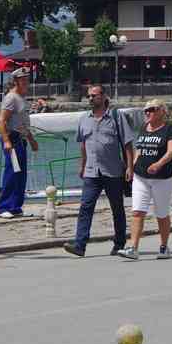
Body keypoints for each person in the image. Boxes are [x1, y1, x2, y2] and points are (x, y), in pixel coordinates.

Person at [63, 85, 135, 257]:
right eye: (88, 96)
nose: (90, 99)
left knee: (117, 208)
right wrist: (82, 165)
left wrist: (130, 167)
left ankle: (119, 244)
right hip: (91, 172)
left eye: (94, 95)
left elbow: (127, 144)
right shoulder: (84, 119)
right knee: (85, 207)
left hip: (113, 171)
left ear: (103, 97)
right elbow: (83, 144)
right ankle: (80, 245)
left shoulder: (116, 117)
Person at [118, 99, 172, 260]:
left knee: (161, 214)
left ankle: (164, 247)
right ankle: (133, 248)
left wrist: (159, 164)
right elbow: (139, 148)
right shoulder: (144, 127)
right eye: (146, 110)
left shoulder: (169, 129)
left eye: (151, 109)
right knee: (137, 211)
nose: (147, 113)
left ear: (161, 111)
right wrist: (132, 166)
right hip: (141, 177)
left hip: (161, 178)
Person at [0, 68, 39, 218]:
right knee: (12, 172)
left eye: (27, 79)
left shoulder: (22, 97)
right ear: (15, 81)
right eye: (22, 79)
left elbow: (23, 123)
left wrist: (32, 140)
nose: (26, 81)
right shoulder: (11, 98)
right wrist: (7, 141)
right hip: (12, 138)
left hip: (21, 139)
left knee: (21, 174)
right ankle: (4, 207)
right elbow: (2, 121)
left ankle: (16, 206)